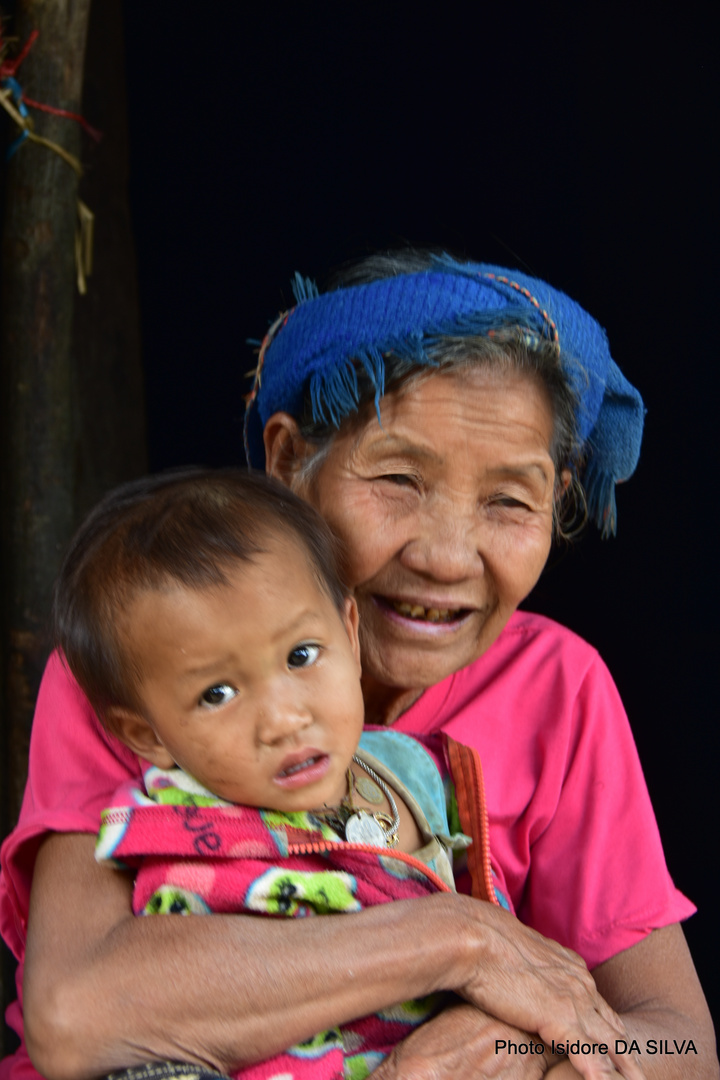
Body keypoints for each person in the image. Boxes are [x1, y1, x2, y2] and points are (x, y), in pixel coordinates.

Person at [2, 251, 717, 1080]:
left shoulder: (558, 689)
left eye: (510, 501)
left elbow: (684, 1049)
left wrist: (533, 1052)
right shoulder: (150, 664)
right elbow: (76, 1014)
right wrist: (460, 940)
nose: (450, 557)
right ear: (285, 462)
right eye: (399, 478)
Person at [54, 467, 491, 1080]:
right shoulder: (165, 822)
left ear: (348, 630)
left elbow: (499, 956)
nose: (284, 720)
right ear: (147, 734)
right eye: (217, 693)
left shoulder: (414, 780)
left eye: (301, 656)